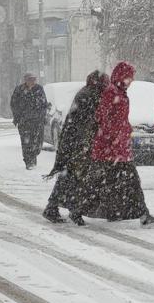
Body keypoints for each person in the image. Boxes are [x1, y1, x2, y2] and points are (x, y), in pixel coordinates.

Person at [91, 62, 154, 228]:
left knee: (112, 183)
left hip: (117, 149)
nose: (130, 81)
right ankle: (143, 215)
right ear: (120, 76)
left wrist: (124, 131)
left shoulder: (120, 93)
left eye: (131, 78)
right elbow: (103, 118)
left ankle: (117, 213)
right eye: (128, 77)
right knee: (128, 181)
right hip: (111, 149)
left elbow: (117, 120)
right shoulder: (111, 93)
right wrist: (115, 137)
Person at [42, 70, 109, 225]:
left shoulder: (86, 93)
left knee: (71, 177)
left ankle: (59, 208)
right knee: (77, 177)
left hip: (75, 142)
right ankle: (71, 210)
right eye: (105, 83)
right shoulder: (90, 95)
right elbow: (90, 121)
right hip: (79, 143)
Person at [10, 73, 48, 170]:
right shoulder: (19, 90)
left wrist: (42, 116)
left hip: (37, 121)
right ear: (26, 80)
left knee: (37, 142)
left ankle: (33, 158)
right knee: (26, 142)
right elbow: (14, 104)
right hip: (24, 121)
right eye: (30, 80)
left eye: (34, 80)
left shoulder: (39, 89)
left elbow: (44, 104)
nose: (32, 82)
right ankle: (29, 162)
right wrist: (18, 116)